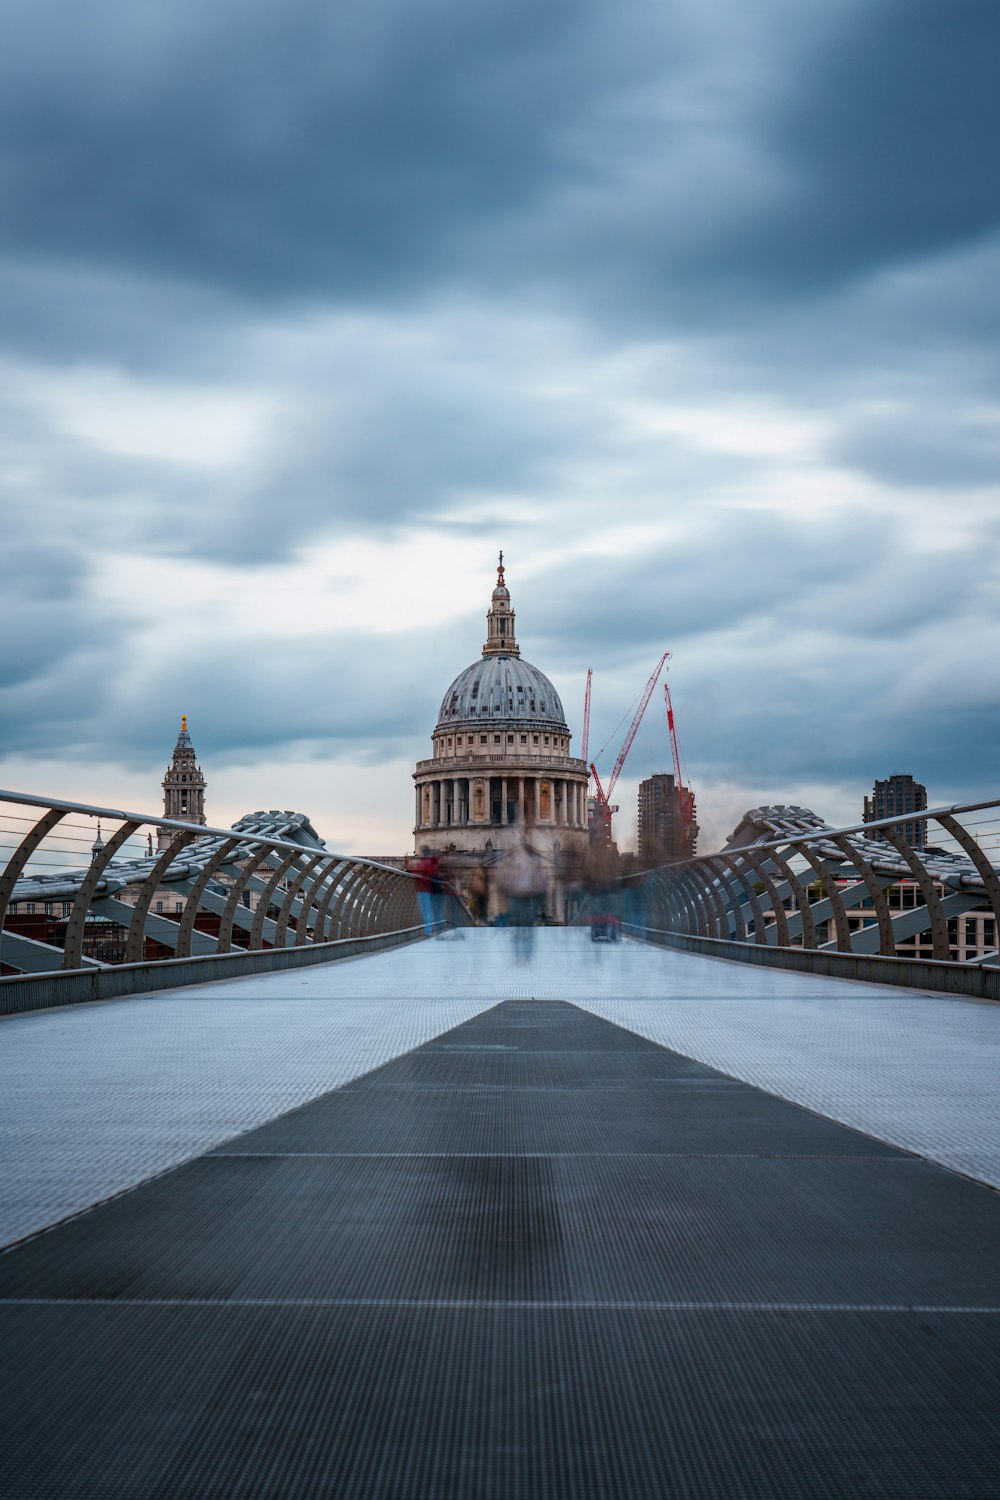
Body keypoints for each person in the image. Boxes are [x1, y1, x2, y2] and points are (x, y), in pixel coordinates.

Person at [497, 836, 547, 960]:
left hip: (527, 896)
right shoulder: (530, 862)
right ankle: (522, 952)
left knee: (525, 925)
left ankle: (524, 952)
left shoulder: (532, 862)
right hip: (518, 896)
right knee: (521, 925)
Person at [407, 846, 441, 937]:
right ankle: (429, 930)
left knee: (426, 910)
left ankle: (428, 931)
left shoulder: (426, 863)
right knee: (427, 910)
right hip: (425, 889)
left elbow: (418, 871)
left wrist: (410, 866)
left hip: (423, 889)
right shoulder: (431, 863)